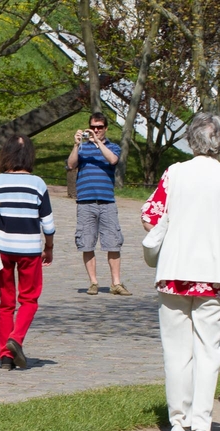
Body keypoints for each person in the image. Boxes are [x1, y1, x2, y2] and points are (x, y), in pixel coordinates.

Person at [140, 113, 220, 431]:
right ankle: (202, 426)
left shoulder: (174, 173)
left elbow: (149, 215)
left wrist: (175, 232)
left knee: (176, 351)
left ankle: (178, 421)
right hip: (215, 276)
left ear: (192, 140)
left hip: (173, 274)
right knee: (209, 351)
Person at [0, 134, 55, 371]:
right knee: (29, 300)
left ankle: (5, 358)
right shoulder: (38, 184)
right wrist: (49, 247)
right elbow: (48, 224)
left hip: (3, 249)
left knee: (6, 303)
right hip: (30, 250)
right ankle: (16, 338)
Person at [66, 112, 131, 296]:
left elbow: (113, 160)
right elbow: (71, 165)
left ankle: (116, 283)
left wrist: (98, 142)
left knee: (113, 242)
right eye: (93, 127)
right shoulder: (82, 148)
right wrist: (77, 144)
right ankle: (93, 282)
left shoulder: (113, 147)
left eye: (99, 127)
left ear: (105, 128)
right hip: (85, 202)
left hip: (107, 202)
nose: (96, 130)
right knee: (86, 242)